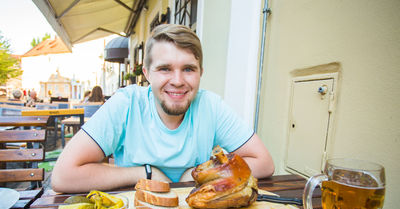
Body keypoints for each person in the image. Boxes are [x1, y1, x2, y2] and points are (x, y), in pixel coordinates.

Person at [52, 24, 274, 193]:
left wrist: (201, 173)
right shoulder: (126, 104)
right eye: (165, 69)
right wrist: (146, 173)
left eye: (188, 69)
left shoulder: (211, 106)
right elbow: (62, 176)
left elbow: (264, 164)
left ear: (200, 73)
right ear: (147, 73)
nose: (177, 81)